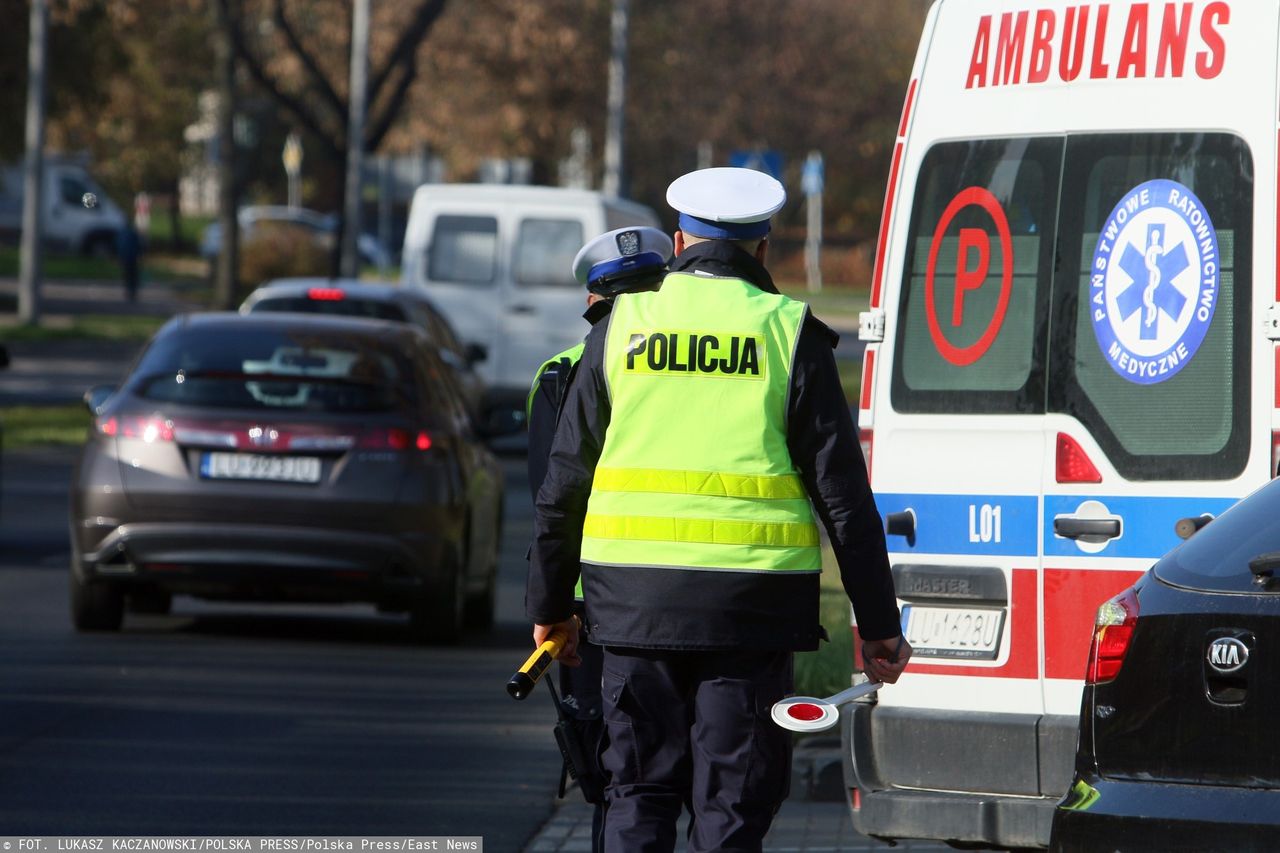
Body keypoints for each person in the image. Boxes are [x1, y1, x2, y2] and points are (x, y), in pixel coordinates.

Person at [528, 167, 911, 852]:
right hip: (750, 616)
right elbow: (845, 500)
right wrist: (878, 627)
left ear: (679, 241)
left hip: (633, 609)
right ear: (762, 249)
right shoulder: (789, 333)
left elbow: (564, 485)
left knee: (635, 797)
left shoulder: (621, 327)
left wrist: (551, 604)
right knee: (731, 808)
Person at [526, 225, 673, 853]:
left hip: (592, 610)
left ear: (592, 302)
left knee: (621, 782)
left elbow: (551, 504)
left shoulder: (559, 374)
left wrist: (548, 608)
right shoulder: (683, 365)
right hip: (694, 590)